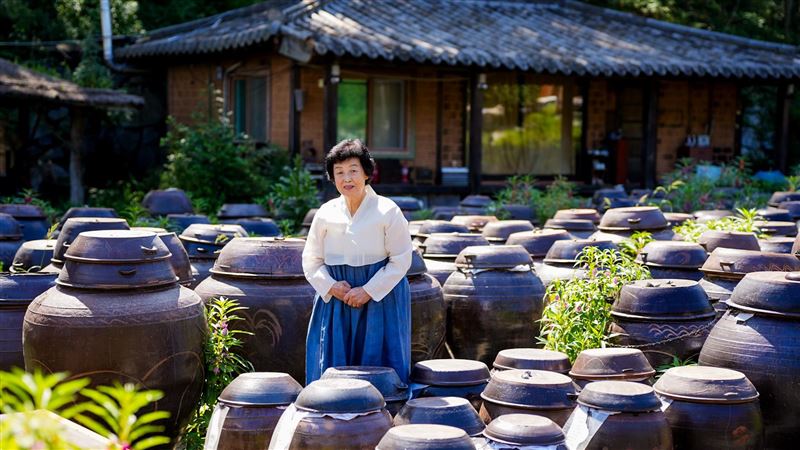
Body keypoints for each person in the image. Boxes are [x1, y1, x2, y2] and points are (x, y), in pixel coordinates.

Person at [302, 139, 413, 385]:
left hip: (380, 300)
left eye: (353, 170)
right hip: (336, 301)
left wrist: (368, 291)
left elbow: (402, 259)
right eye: (339, 172)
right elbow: (311, 260)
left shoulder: (388, 210)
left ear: (366, 172)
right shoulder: (325, 213)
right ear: (332, 177)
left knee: (379, 373)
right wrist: (331, 286)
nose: (347, 178)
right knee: (333, 378)